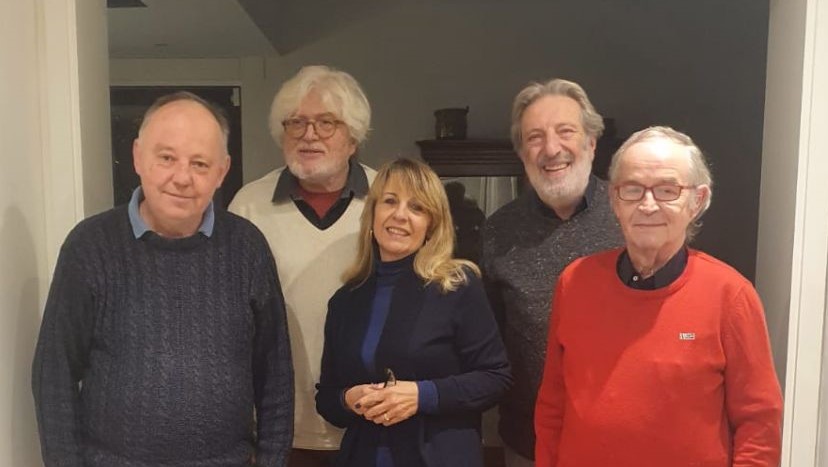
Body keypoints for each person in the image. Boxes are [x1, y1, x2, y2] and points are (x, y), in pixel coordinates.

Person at [31, 92, 294, 467]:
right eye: (167, 158)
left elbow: (276, 373)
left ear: (221, 172)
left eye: (200, 164)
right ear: (138, 156)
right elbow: (53, 372)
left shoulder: (247, 247)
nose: (182, 178)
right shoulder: (89, 245)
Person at [535, 126, 784, 466]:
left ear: (697, 201)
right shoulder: (575, 282)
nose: (648, 205)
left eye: (667, 190)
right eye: (632, 189)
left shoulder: (731, 296)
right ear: (614, 200)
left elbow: (759, 423)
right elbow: (553, 403)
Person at [316, 158, 512, 467]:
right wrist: (349, 399)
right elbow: (327, 398)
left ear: (431, 225)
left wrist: (422, 395)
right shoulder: (345, 300)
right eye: (390, 201)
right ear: (372, 213)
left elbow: (495, 378)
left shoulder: (457, 286)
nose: (400, 215)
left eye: (417, 207)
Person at [229, 65, 376, 466]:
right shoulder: (248, 206)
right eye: (296, 123)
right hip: (276, 428)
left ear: (353, 137)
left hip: (372, 422)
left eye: (326, 123)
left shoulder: (388, 199)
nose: (309, 135)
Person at [480, 78, 622, 466]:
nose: (552, 149)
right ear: (521, 152)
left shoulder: (630, 215)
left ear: (592, 142)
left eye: (565, 132)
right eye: (535, 137)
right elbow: (489, 341)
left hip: (618, 444)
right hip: (526, 444)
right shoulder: (498, 231)